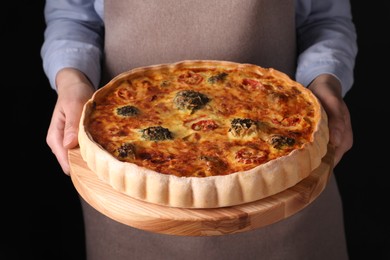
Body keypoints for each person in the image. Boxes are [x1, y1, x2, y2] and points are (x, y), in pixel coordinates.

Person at [41, 0, 357, 259]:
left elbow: (324, 20)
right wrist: (73, 82)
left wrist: (325, 81)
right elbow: (72, 16)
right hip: (128, 196)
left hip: (285, 194)